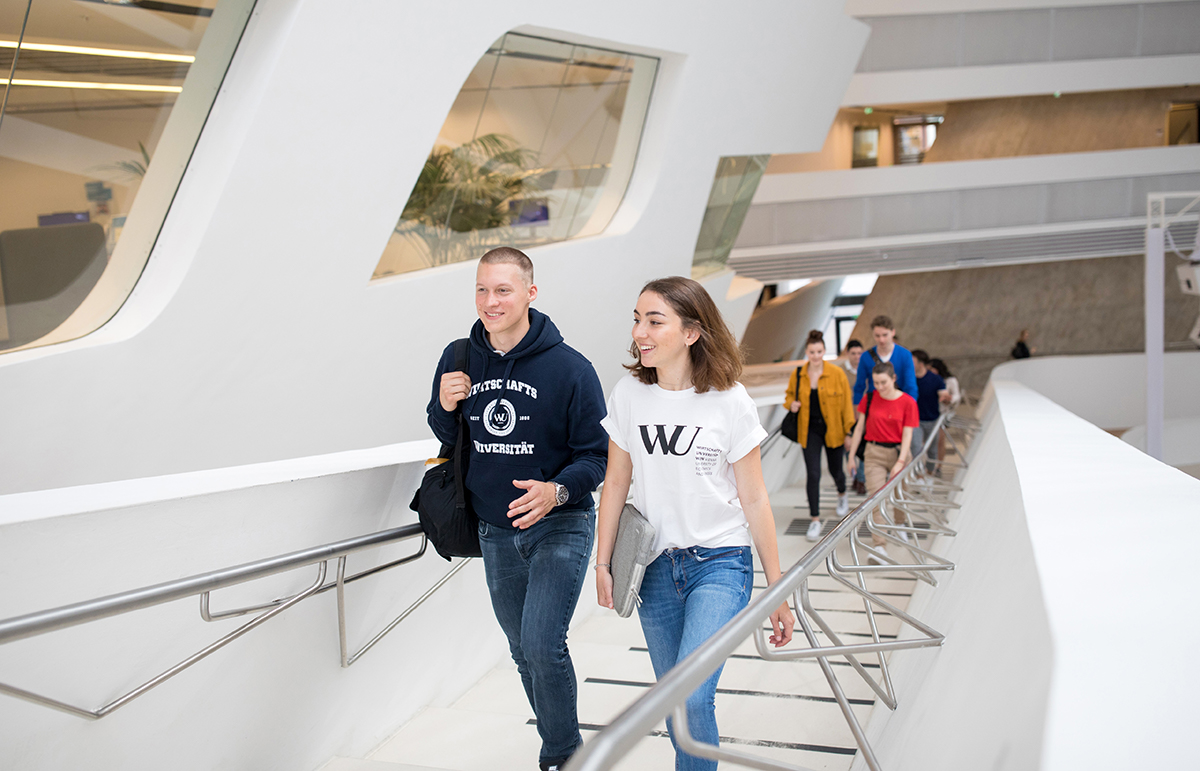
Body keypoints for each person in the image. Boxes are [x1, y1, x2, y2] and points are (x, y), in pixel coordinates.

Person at [595, 276, 795, 771]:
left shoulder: (730, 402)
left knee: (690, 696)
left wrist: (777, 589)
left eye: (654, 321)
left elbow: (755, 498)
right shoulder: (628, 396)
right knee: (673, 705)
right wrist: (602, 562)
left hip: (721, 563)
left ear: (691, 332)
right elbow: (616, 484)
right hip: (655, 570)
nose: (641, 331)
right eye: (638, 320)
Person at [427, 247, 608, 771]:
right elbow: (445, 436)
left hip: (560, 524)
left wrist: (555, 491)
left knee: (541, 642)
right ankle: (563, 746)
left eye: (503, 290)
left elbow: (596, 456)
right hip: (495, 530)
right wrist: (444, 404)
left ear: (531, 292)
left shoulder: (571, 369)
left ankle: (561, 755)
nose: (490, 301)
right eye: (482, 289)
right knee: (520, 648)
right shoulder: (458, 356)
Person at [784, 330, 856, 539]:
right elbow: (788, 396)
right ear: (806, 352)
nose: (815, 355)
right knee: (813, 474)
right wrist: (792, 404)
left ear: (824, 350)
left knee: (836, 471)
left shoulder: (837, 374)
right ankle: (814, 519)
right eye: (812, 352)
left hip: (834, 429)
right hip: (809, 431)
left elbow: (846, 406)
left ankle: (842, 493)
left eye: (819, 351)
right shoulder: (799, 374)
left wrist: (849, 432)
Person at [846, 362, 918, 559]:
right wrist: (852, 456)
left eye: (884, 382)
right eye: (876, 383)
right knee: (875, 498)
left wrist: (900, 461)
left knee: (900, 494)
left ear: (894, 379)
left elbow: (907, 435)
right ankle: (879, 546)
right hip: (874, 453)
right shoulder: (869, 399)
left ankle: (900, 523)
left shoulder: (908, 402)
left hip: (898, 452)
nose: (880, 387)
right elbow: (859, 428)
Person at [911, 349, 949, 473]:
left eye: (913, 361)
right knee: (916, 447)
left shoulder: (935, 379)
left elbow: (943, 394)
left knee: (932, 450)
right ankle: (918, 475)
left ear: (920, 363)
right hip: (915, 420)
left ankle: (929, 472)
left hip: (932, 419)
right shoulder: (909, 378)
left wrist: (945, 398)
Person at [840, 339, 867, 494]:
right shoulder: (841, 372)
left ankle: (861, 480)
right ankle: (854, 476)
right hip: (847, 417)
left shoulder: (867, 370)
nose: (857, 356)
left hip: (864, 417)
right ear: (847, 353)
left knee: (864, 450)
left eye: (859, 353)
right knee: (849, 450)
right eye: (853, 353)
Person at [929, 358, 961, 468]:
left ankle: (939, 465)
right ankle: (930, 464)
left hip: (943, 413)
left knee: (940, 440)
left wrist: (949, 399)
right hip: (931, 411)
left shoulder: (950, 380)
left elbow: (956, 396)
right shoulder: (929, 380)